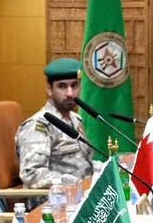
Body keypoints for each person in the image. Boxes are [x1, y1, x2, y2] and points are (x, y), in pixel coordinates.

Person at [15, 57, 94, 188]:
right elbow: (31, 174)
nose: (70, 93)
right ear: (49, 89)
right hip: (54, 197)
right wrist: (73, 183)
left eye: (74, 85)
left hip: (81, 193)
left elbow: (85, 164)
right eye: (62, 86)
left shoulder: (75, 120)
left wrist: (110, 168)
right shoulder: (39, 126)